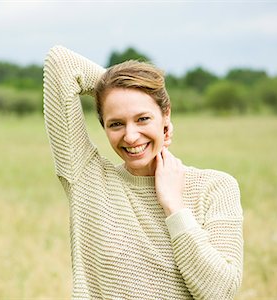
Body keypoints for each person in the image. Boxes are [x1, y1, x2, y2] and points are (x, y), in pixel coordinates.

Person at [43, 45, 243, 299]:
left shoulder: (216, 187)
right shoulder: (87, 179)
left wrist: (174, 207)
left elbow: (221, 292)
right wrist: (113, 92)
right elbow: (60, 63)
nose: (130, 135)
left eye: (143, 118)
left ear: (165, 115)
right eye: (116, 123)